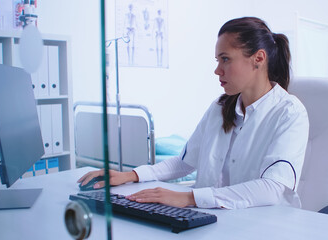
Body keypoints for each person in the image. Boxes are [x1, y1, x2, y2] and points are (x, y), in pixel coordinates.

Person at [78, 17, 309, 209]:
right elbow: (184, 163)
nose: (217, 70)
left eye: (225, 59)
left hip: (265, 226)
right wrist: (131, 175)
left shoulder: (289, 113)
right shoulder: (221, 107)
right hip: (216, 219)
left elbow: (272, 188)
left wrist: (188, 197)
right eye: (217, 60)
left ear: (258, 58)